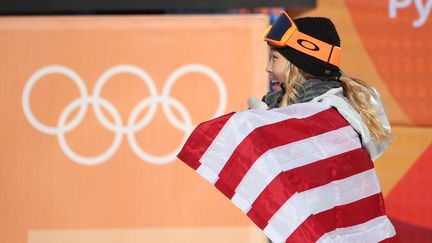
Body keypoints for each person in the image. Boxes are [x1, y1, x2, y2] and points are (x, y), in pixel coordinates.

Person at [248, 13, 393, 160]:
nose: (268, 67)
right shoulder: (289, 105)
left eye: (274, 58)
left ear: (299, 64)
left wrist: (267, 130)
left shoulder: (326, 113)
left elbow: (304, 168)